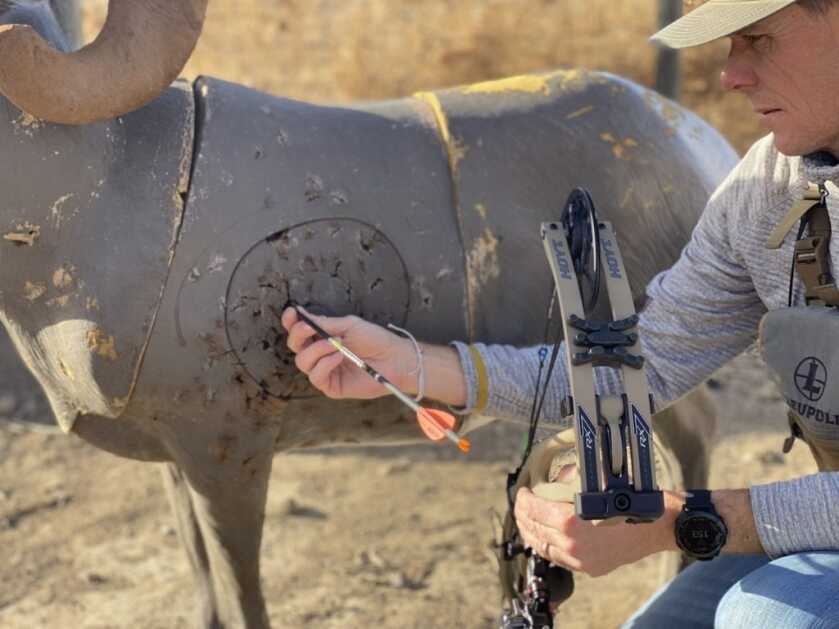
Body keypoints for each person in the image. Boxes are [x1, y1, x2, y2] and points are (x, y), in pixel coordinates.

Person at [282, 1, 839, 626]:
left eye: (758, 39)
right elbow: (633, 373)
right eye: (729, 44)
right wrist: (413, 365)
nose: (730, 75)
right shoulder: (767, 188)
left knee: (763, 618)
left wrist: (683, 522)